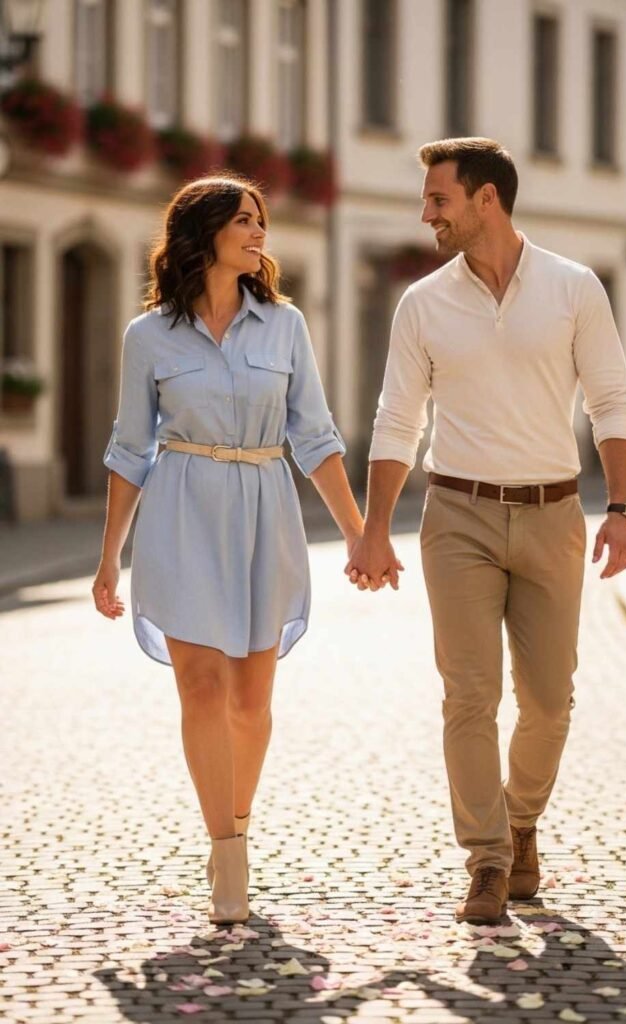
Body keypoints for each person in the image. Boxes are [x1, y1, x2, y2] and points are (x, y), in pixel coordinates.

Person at [347, 138, 626, 925]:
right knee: (467, 696)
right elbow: (396, 419)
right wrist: (374, 529)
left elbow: (610, 399)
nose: (426, 213)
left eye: (438, 199)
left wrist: (619, 508)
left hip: (552, 513)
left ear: (486, 200)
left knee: (548, 700)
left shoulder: (574, 289)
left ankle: (519, 821)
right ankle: (484, 859)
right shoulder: (423, 302)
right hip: (458, 516)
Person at [92, 174, 365, 925]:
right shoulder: (146, 337)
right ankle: (228, 857)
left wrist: (357, 532)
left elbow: (314, 435)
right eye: (243, 221)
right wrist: (108, 556)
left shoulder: (285, 326)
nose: (258, 234)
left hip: (263, 510)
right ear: (202, 233)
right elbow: (128, 447)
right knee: (202, 689)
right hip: (180, 510)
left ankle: (233, 825)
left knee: (251, 699)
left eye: (260, 221)